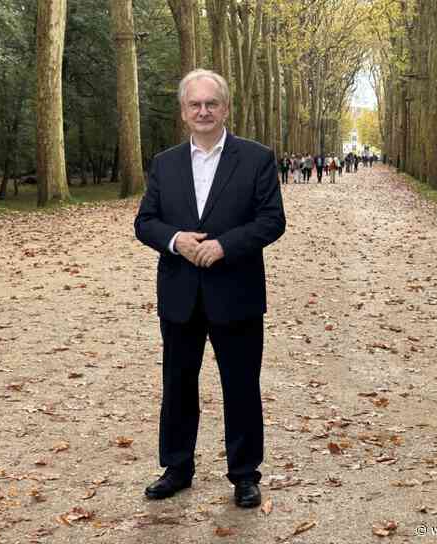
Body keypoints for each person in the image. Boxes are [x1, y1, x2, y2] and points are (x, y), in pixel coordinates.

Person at [134, 69, 286, 509]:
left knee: (241, 386)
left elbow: (272, 220)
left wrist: (224, 246)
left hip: (235, 292)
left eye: (211, 104)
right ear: (184, 112)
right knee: (177, 385)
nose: (203, 111)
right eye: (195, 104)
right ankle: (177, 468)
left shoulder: (256, 158)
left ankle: (244, 475)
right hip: (180, 295)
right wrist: (176, 240)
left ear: (225, 108)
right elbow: (145, 222)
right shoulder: (164, 163)